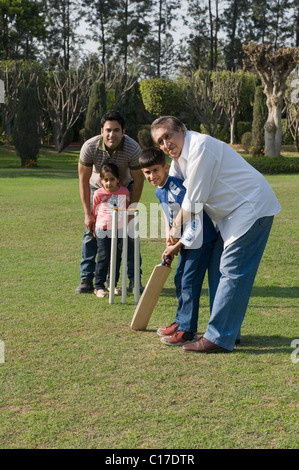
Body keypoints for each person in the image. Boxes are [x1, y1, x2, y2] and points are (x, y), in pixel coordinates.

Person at [151, 116, 281, 353]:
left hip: (251, 208)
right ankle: (228, 331)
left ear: (182, 129)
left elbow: (193, 202)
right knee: (217, 267)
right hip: (228, 216)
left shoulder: (201, 147)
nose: (165, 144)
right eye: (160, 142)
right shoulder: (178, 158)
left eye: (168, 136)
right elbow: (176, 193)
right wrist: (173, 238)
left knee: (232, 271)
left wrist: (175, 230)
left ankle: (219, 337)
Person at [139, 147, 219, 346]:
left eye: (155, 170)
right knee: (180, 279)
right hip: (185, 241)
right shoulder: (160, 191)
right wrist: (169, 237)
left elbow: (196, 219)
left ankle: (188, 331)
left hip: (201, 241)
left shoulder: (178, 188)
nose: (152, 176)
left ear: (166, 167)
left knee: (189, 282)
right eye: (147, 173)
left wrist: (178, 245)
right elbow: (170, 216)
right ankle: (181, 321)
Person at [76, 110, 144, 294]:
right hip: (97, 189)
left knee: (129, 234)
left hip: (124, 189)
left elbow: (138, 180)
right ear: (101, 131)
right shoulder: (89, 147)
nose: (111, 134)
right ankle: (87, 279)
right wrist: (87, 214)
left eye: (116, 130)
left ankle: (134, 280)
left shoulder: (132, 148)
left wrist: (132, 210)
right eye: (108, 130)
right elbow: (83, 180)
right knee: (92, 232)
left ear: (123, 131)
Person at [92, 163, 130, 298]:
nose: (109, 183)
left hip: (119, 229)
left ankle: (112, 284)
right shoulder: (98, 193)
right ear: (101, 180)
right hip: (102, 229)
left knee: (116, 258)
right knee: (103, 257)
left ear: (118, 179)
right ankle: (99, 286)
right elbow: (94, 210)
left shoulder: (124, 192)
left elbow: (125, 209)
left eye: (112, 179)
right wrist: (94, 226)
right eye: (106, 180)